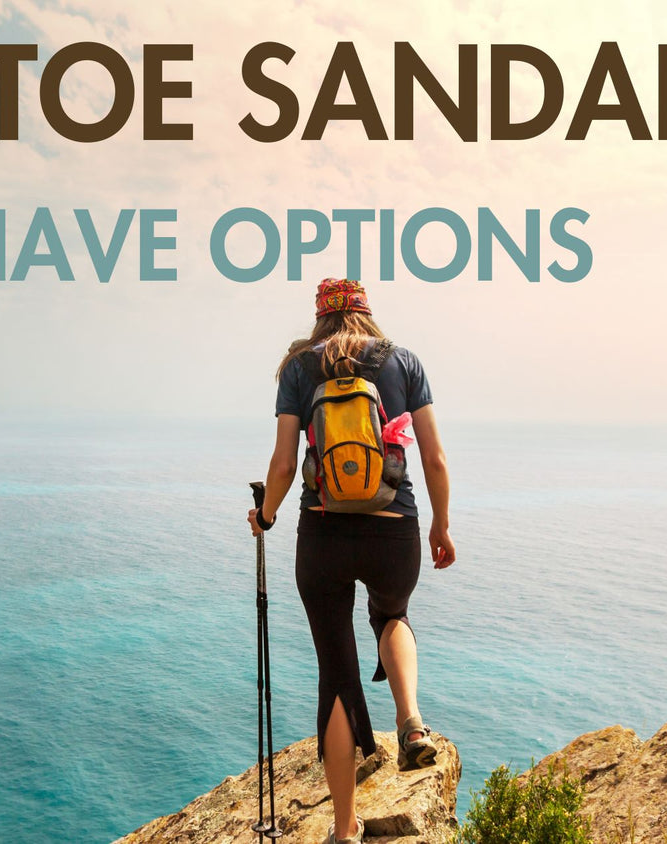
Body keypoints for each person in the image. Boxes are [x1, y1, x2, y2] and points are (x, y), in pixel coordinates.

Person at [247, 278, 457, 844]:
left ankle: (344, 830)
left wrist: (265, 516)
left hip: (323, 533)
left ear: (320, 319)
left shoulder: (297, 369)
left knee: (336, 674)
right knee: (393, 615)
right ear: (367, 315)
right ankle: (410, 720)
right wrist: (440, 524)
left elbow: (285, 465)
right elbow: (433, 457)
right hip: (395, 525)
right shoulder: (404, 361)